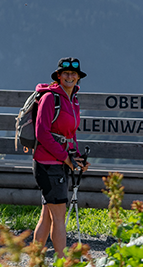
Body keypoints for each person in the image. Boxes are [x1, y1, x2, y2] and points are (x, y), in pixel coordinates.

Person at [32, 57, 89, 257]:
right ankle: (62, 261)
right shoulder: (50, 98)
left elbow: (70, 133)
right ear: (58, 76)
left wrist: (77, 157)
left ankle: (36, 260)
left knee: (47, 215)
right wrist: (65, 158)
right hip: (48, 165)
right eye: (66, 73)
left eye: (74, 74)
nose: (70, 77)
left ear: (78, 78)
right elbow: (42, 133)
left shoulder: (72, 99)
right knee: (59, 217)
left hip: (59, 163)